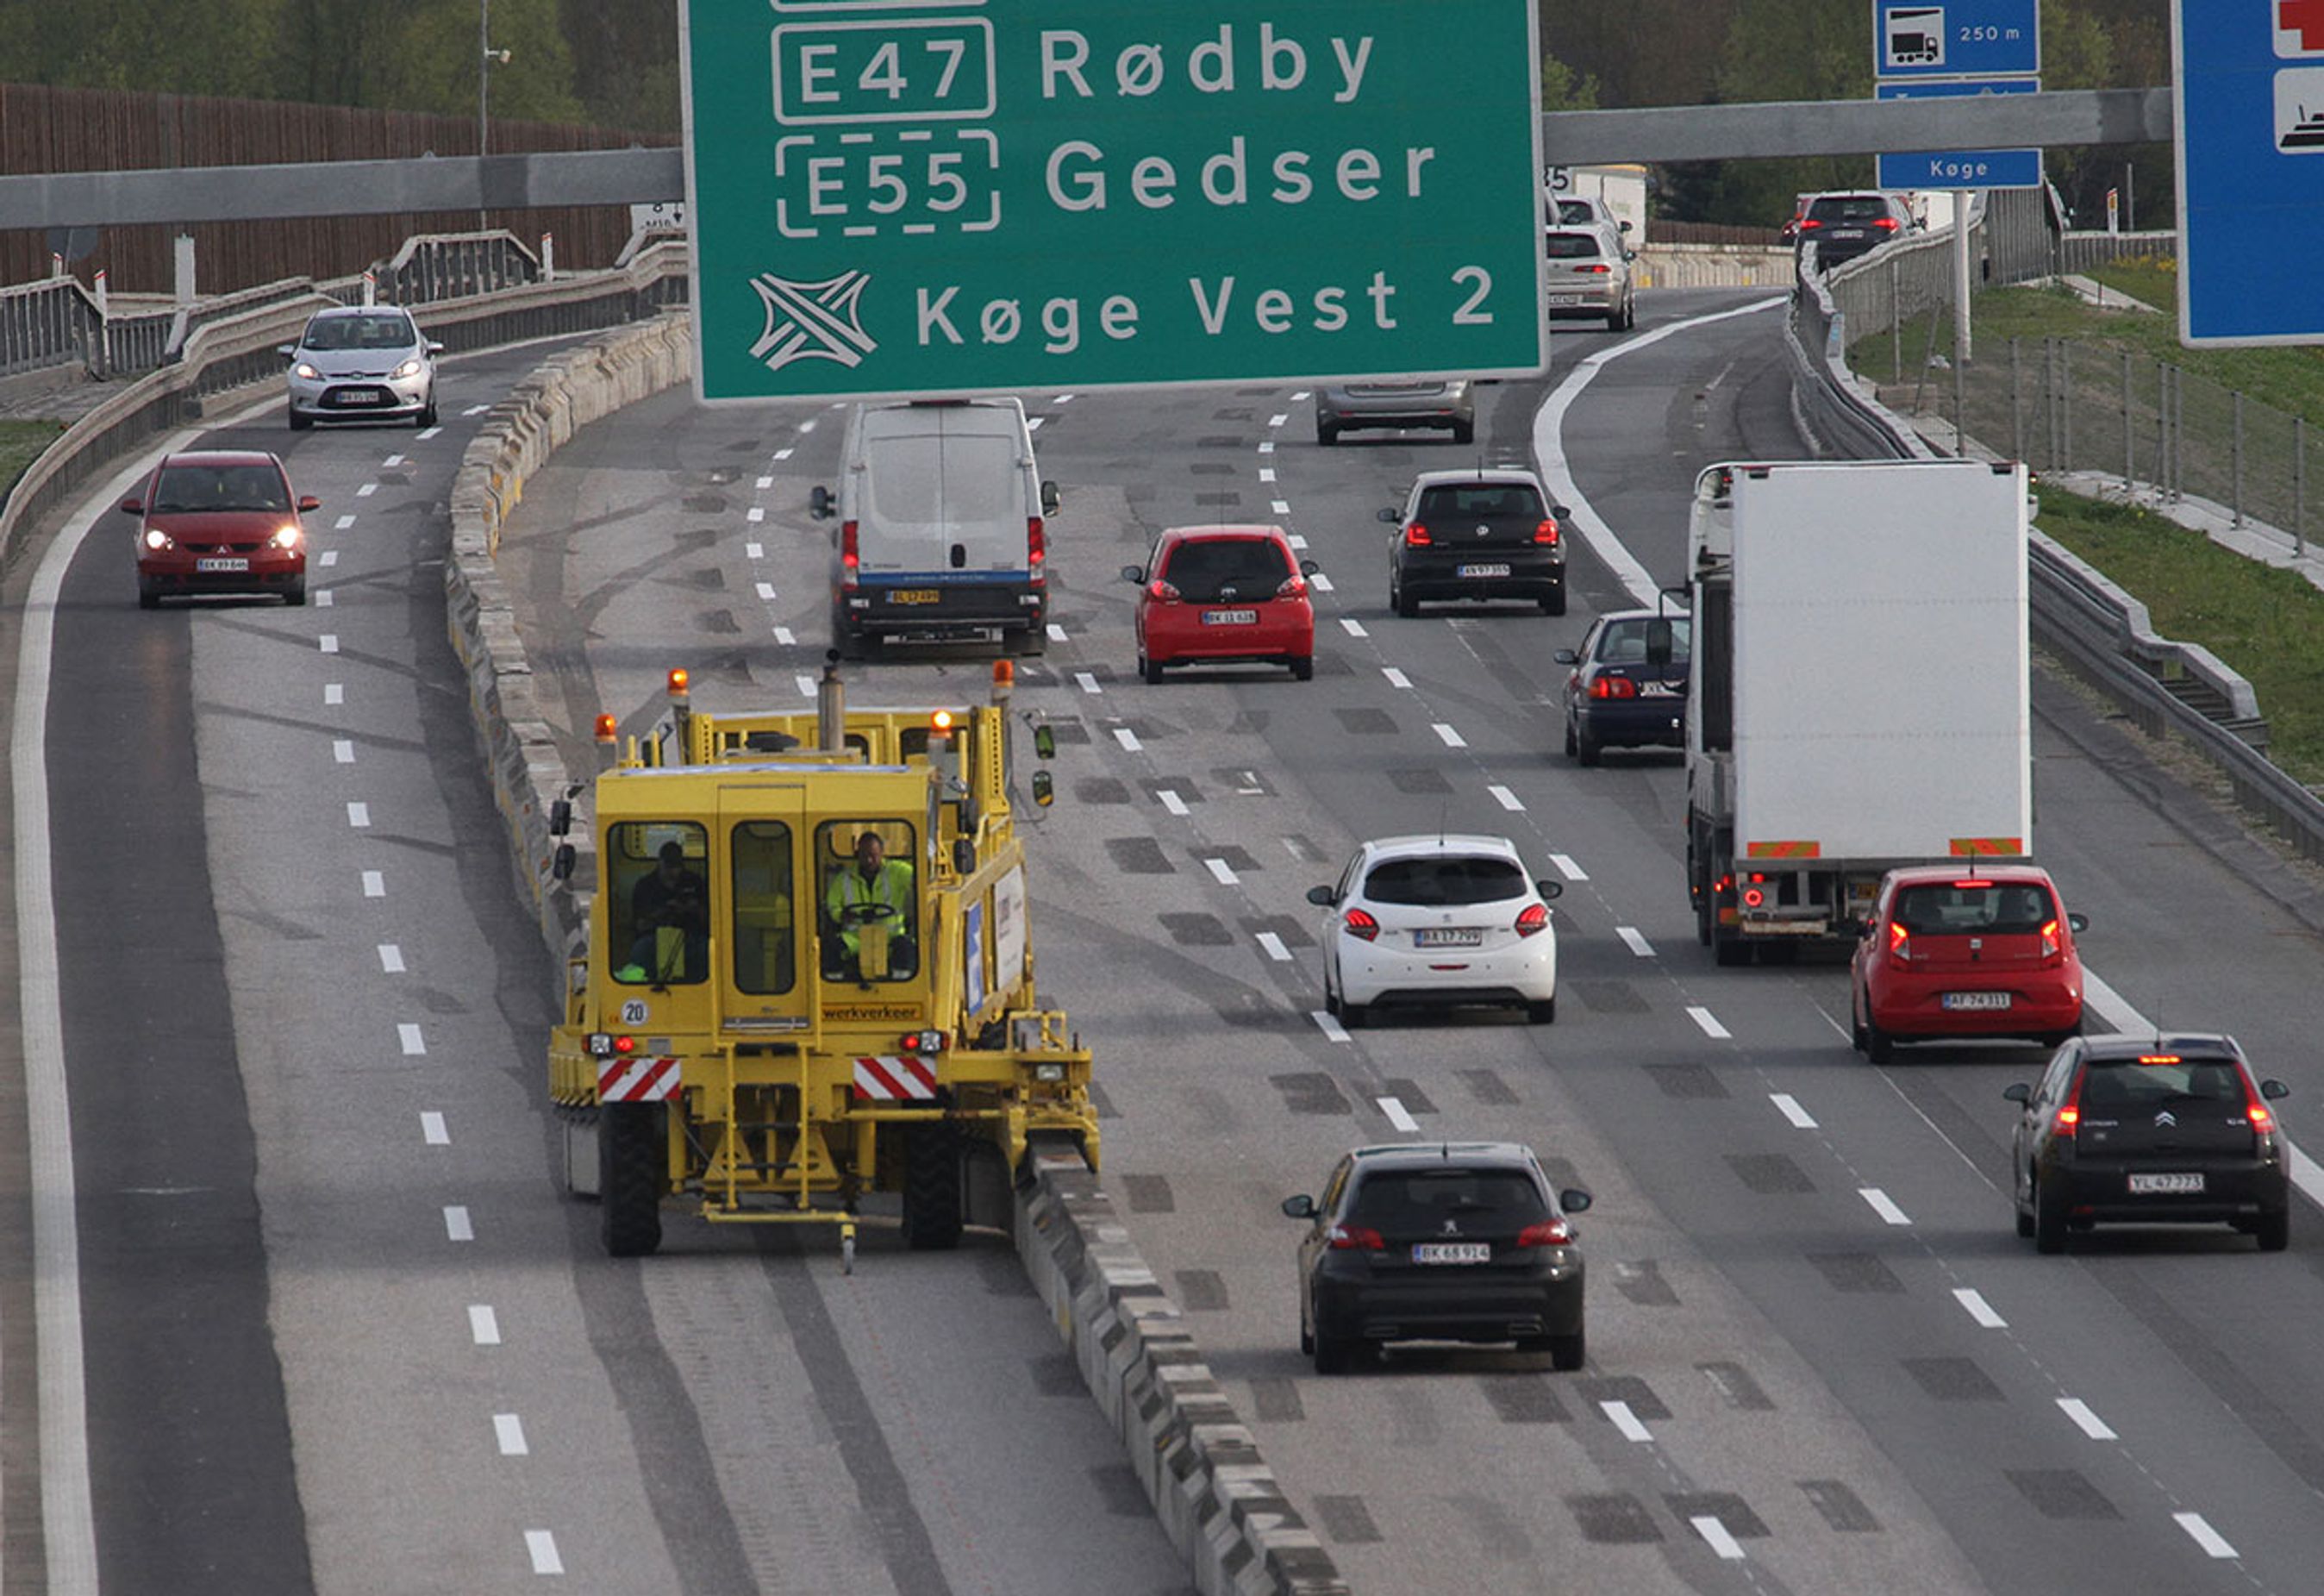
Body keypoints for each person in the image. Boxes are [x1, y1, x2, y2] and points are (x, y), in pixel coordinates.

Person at [823, 829, 915, 980]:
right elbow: (832, 905)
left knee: (906, 948)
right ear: (857, 854)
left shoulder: (897, 872)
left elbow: (920, 880)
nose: (869, 860)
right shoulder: (844, 879)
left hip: (890, 938)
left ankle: (900, 989)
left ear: (882, 853)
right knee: (831, 949)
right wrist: (841, 915)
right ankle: (834, 990)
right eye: (864, 856)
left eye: (873, 855)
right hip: (855, 938)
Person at [625, 840, 708, 981]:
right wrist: (663, 911)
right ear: (660, 863)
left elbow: (708, 917)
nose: (673, 872)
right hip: (653, 939)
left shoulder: (694, 881)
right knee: (640, 951)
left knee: (707, 950)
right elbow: (639, 924)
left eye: (676, 867)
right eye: (668, 866)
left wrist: (690, 909)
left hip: (690, 936)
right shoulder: (646, 886)